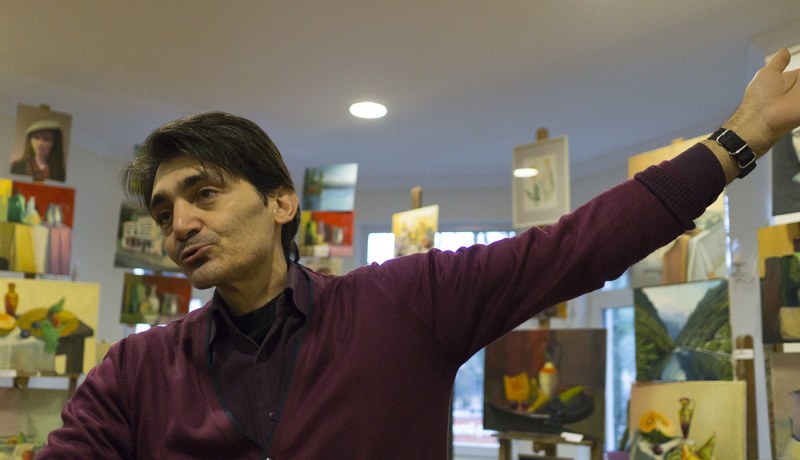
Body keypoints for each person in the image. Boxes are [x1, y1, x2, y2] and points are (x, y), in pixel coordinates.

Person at [39, 48, 800, 458]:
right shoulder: (134, 371)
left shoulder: (404, 303)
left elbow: (576, 248)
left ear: (280, 202)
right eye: (164, 210)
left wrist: (742, 138)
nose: (179, 223)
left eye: (204, 193)